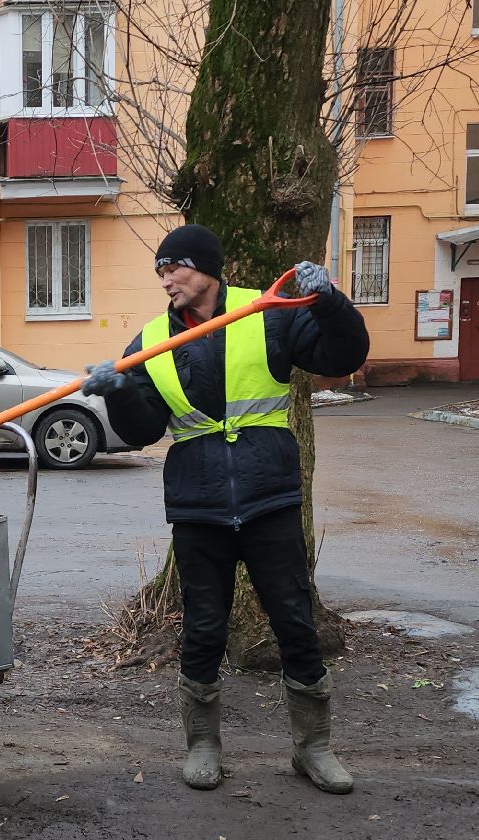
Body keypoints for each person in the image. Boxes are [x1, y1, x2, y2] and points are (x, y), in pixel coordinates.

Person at [82, 224, 370, 795]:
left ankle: (313, 747)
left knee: (293, 620)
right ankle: (203, 745)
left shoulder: (270, 313)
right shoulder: (149, 342)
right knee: (204, 627)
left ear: (209, 268)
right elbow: (141, 431)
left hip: (269, 496)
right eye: (161, 270)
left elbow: (345, 354)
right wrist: (117, 389)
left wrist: (332, 303)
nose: (167, 277)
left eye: (177, 266)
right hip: (199, 503)